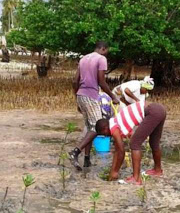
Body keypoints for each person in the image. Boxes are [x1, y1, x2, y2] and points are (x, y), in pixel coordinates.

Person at [68, 41, 119, 170]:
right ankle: (75, 152)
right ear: (103, 48)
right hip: (91, 96)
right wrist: (113, 96)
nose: (106, 54)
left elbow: (75, 81)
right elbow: (101, 81)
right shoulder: (101, 59)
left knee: (90, 127)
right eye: (106, 51)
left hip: (81, 96)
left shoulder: (83, 59)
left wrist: (78, 99)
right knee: (97, 127)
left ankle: (87, 160)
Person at [95, 101, 166, 185]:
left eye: (104, 134)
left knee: (134, 143)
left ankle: (136, 178)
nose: (107, 136)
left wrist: (115, 172)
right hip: (160, 109)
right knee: (154, 142)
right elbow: (117, 151)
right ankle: (157, 170)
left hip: (152, 111)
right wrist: (113, 171)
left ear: (105, 128)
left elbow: (121, 151)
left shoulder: (113, 127)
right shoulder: (115, 121)